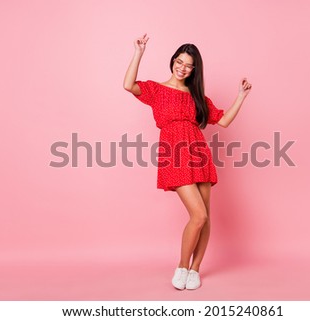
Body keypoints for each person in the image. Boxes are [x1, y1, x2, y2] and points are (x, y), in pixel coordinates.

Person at [123, 34, 252, 290]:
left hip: (199, 153)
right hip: (174, 153)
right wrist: (139, 52)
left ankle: (195, 270)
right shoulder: (157, 89)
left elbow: (223, 120)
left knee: (206, 217)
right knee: (198, 214)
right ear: (173, 61)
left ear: (194, 69)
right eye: (179, 62)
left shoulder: (197, 97)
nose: (182, 67)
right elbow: (129, 85)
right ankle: (182, 266)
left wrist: (241, 96)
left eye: (188, 64)